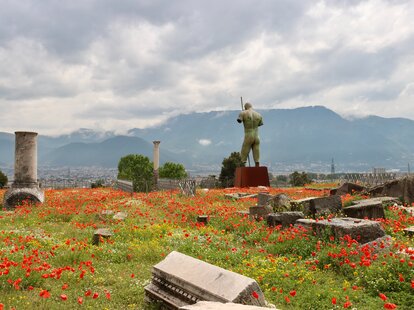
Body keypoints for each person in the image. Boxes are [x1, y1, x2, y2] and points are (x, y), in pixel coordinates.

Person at [237, 102, 263, 167]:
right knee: (256, 151)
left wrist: (242, 114)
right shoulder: (259, 115)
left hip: (248, 135)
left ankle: (243, 165)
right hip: (257, 136)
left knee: (244, 151)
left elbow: (239, 120)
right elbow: (260, 124)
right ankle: (257, 165)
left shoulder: (243, 113)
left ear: (245, 107)